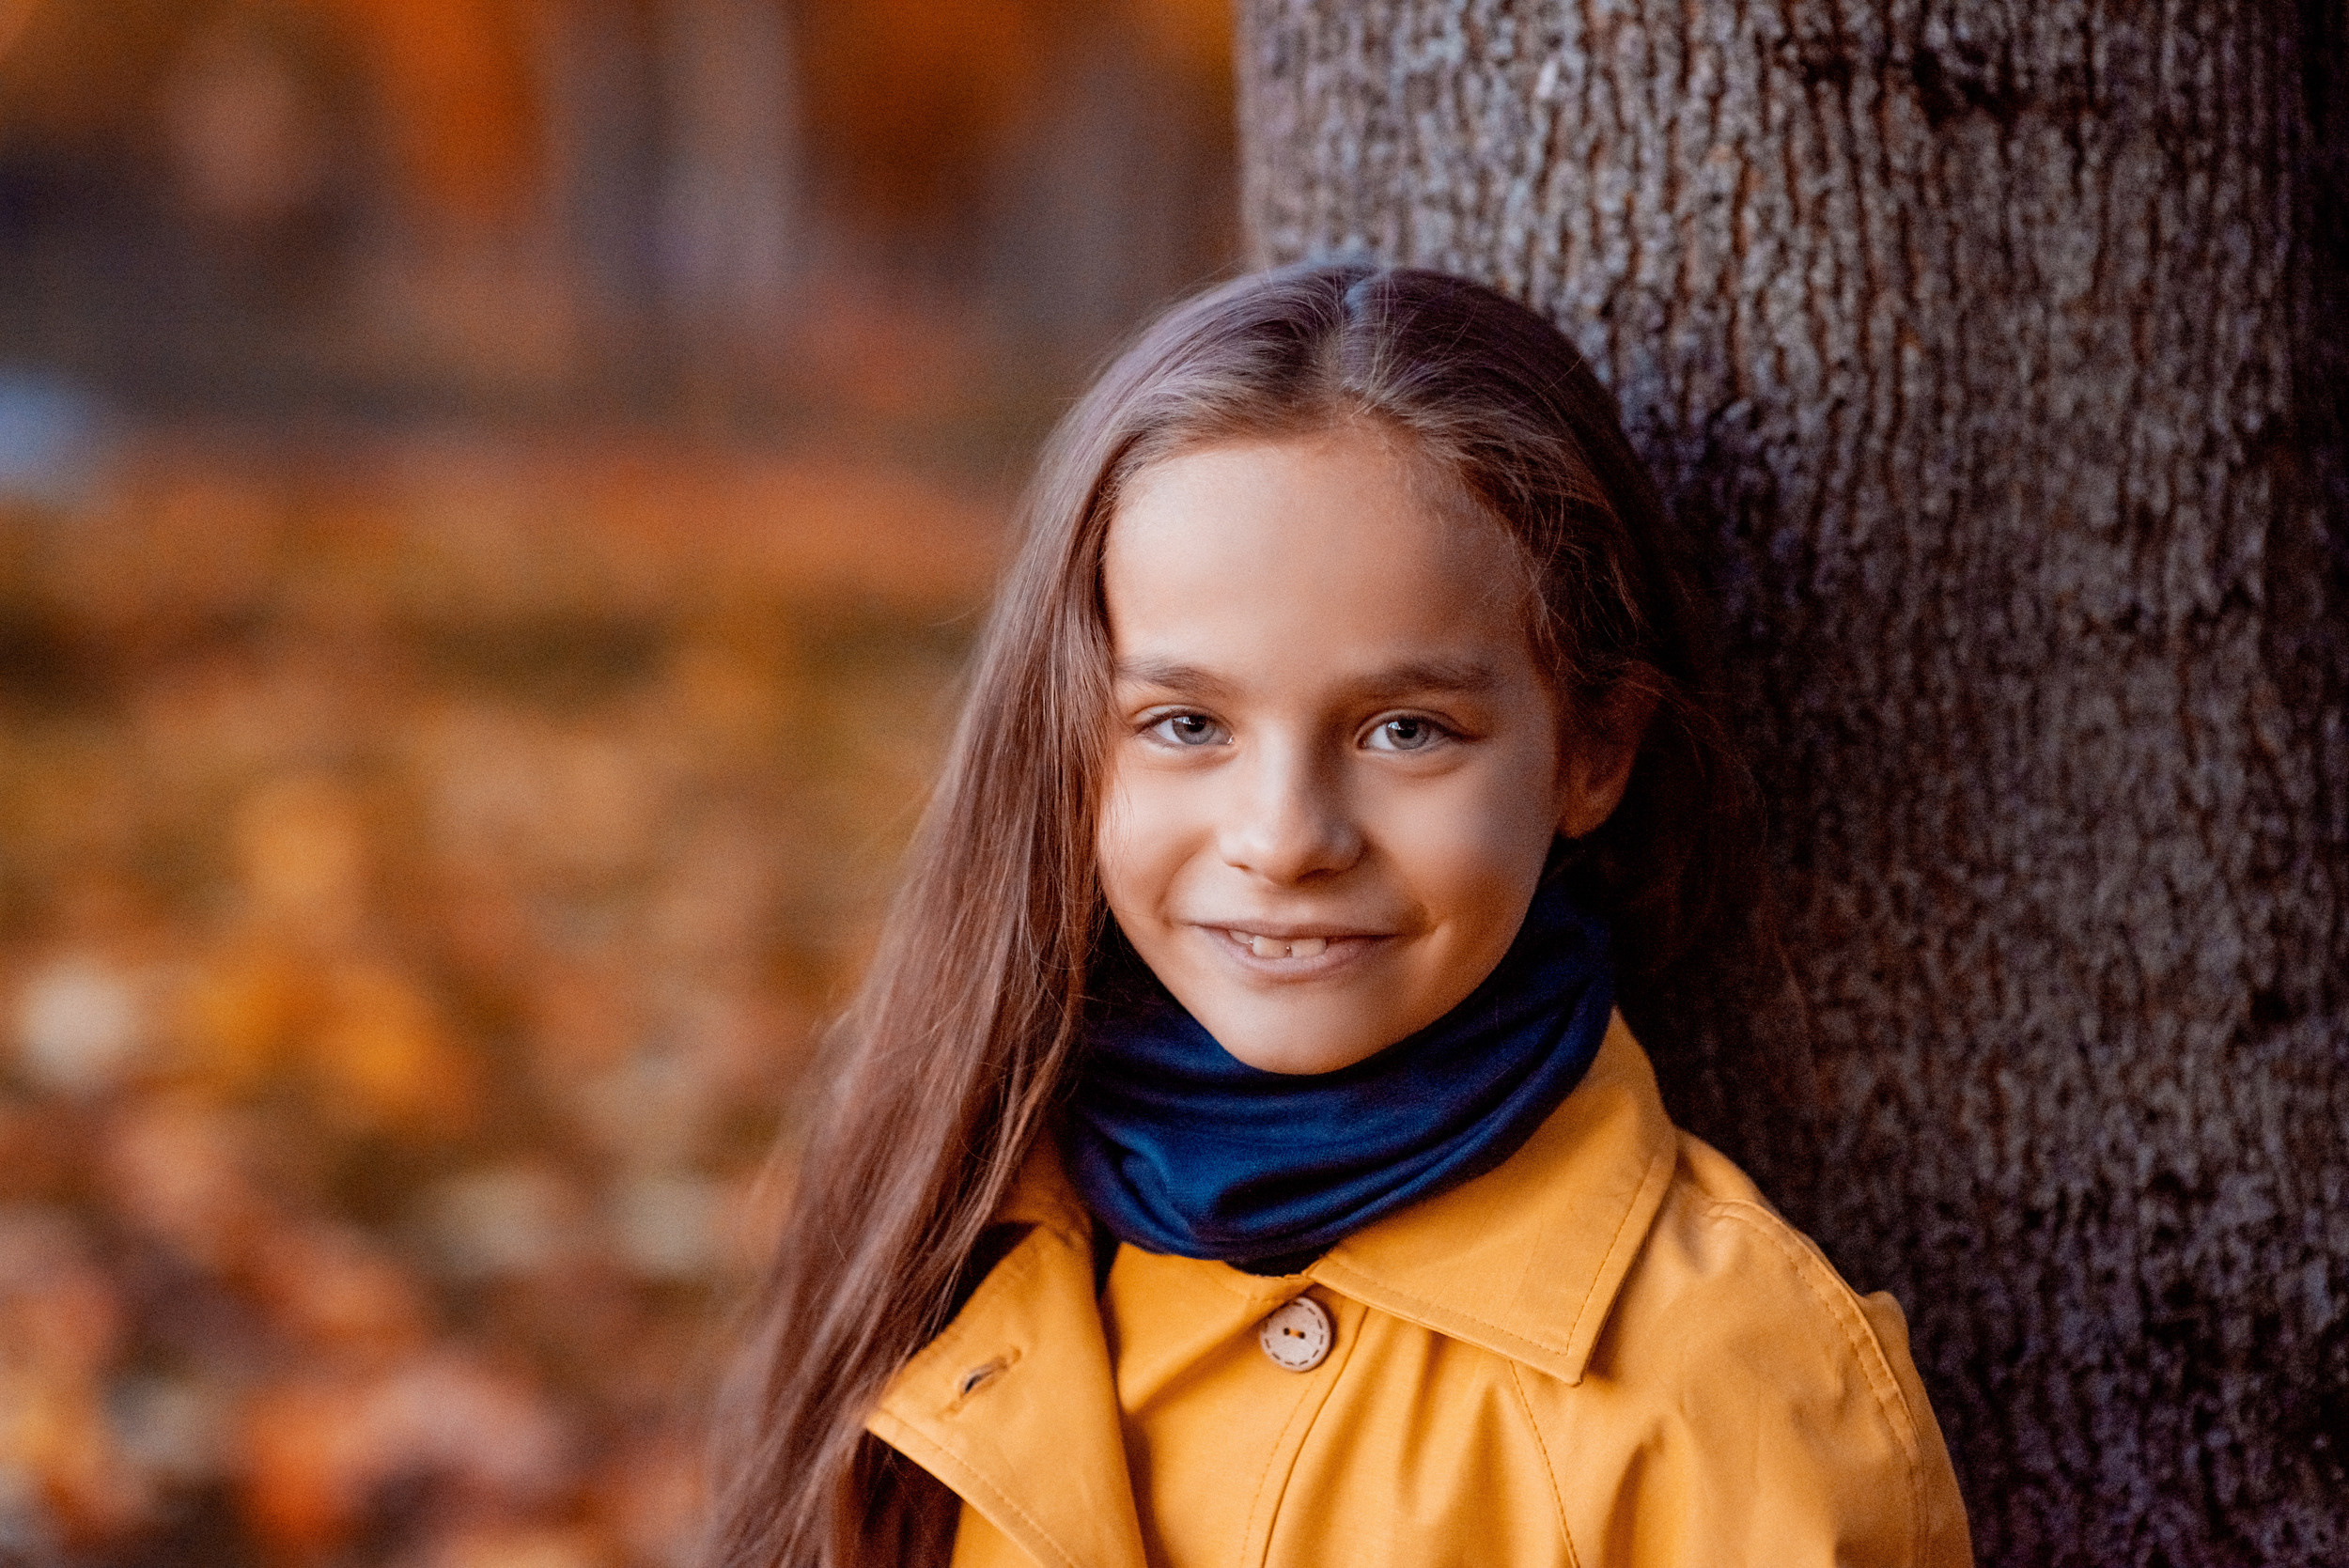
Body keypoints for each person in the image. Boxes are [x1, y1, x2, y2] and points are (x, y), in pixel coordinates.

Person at [704, 263, 1973, 1568]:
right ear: (1070, 740)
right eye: (1186, 723)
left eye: (1404, 729)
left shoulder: (1722, 1391)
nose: (1286, 837)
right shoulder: (950, 1225)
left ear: (1595, 750)